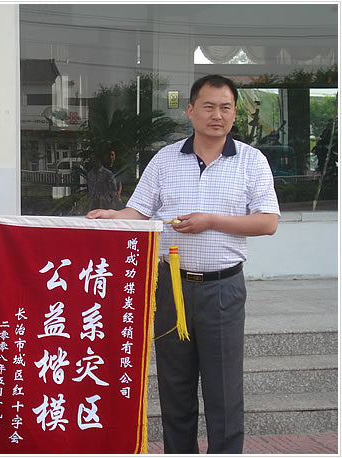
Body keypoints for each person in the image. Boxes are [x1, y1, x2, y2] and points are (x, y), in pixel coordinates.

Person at [87, 75, 280, 453]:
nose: (217, 115)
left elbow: (267, 222)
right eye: (209, 107)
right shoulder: (165, 159)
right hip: (170, 288)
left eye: (225, 108)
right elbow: (138, 212)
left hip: (222, 289)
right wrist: (113, 216)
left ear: (234, 114)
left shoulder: (251, 161)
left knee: (224, 390)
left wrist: (212, 221)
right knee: (175, 387)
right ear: (190, 111)